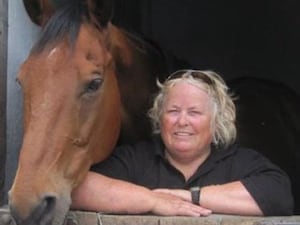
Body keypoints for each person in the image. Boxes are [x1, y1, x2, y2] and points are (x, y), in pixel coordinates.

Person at [71, 69, 294, 216]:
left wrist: (190, 197)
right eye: (173, 111)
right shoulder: (134, 159)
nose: (182, 121)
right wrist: (152, 201)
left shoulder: (240, 161)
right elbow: (76, 187)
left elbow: (278, 196)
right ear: (160, 118)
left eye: (195, 112)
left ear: (217, 123)